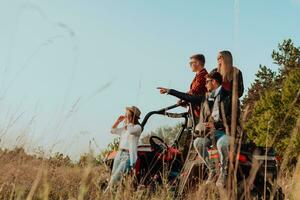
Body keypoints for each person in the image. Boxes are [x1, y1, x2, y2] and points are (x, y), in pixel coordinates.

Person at [157, 71, 237, 187]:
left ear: (214, 82)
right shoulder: (205, 97)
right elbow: (188, 97)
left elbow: (235, 117)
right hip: (210, 133)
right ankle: (213, 170)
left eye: (207, 82)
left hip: (225, 133)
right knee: (198, 142)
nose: (205, 85)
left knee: (222, 144)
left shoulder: (229, 96)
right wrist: (170, 91)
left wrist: (217, 124)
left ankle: (223, 172)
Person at [107, 106, 142, 188]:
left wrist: (129, 122)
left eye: (127, 115)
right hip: (119, 154)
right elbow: (112, 130)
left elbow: (131, 131)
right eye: (126, 115)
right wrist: (118, 121)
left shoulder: (137, 127)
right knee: (113, 177)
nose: (125, 116)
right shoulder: (125, 128)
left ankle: (105, 194)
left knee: (115, 179)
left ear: (132, 116)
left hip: (127, 156)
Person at [182, 54, 208, 118]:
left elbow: (194, 91)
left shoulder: (203, 75)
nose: (190, 65)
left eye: (191, 63)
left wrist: (182, 98)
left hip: (200, 113)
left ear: (198, 63)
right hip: (195, 111)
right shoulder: (199, 76)